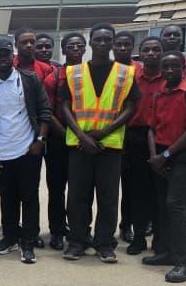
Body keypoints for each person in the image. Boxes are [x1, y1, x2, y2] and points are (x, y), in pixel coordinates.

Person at [59, 23, 140, 263]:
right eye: (98, 39)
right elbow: (65, 105)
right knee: (77, 197)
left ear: (113, 44)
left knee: (108, 197)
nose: (103, 44)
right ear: (90, 43)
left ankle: (105, 243)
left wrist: (103, 132)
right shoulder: (74, 72)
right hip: (80, 145)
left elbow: (131, 106)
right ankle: (77, 241)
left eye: (107, 40)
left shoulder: (126, 73)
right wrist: (83, 136)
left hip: (109, 146)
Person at [0, 38, 51, 264]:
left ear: (13, 56)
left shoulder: (28, 79)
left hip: (29, 149)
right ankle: (10, 237)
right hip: (3, 152)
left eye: (6, 54)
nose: (3, 59)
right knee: (7, 198)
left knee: (29, 197)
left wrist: (39, 139)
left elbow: (44, 111)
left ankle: (28, 242)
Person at [144, 51, 186, 283]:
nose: (169, 71)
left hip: (181, 156)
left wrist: (167, 154)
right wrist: (154, 156)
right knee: (162, 205)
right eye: (165, 67)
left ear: (183, 67)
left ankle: (183, 263)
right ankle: (168, 252)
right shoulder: (160, 94)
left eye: (174, 66)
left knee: (175, 205)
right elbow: (152, 128)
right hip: (160, 155)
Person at [42, 32, 85, 251]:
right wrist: (71, 135)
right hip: (59, 141)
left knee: (81, 191)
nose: (75, 49)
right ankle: (57, 231)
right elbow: (47, 112)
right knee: (57, 190)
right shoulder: (54, 77)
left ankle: (79, 231)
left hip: (88, 142)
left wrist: (84, 138)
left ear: (85, 49)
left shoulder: (91, 75)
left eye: (79, 45)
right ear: (64, 50)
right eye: (71, 45)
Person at [125, 37, 165, 255]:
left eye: (156, 50)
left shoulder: (169, 78)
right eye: (147, 50)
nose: (151, 54)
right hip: (135, 138)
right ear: (140, 55)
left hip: (162, 139)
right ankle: (138, 237)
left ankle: (159, 239)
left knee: (160, 193)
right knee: (138, 192)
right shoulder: (132, 77)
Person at [160, 24, 186, 242]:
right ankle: (160, 229)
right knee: (161, 191)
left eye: (177, 34)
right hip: (159, 137)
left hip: (184, 142)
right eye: (168, 34)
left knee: (182, 191)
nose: (172, 37)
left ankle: (184, 228)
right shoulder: (152, 62)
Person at [113, 31, 140, 244]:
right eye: (119, 45)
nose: (122, 48)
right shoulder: (111, 71)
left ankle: (128, 225)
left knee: (132, 186)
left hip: (137, 133)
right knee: (110, 187)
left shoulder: (136, 71)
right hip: (113, 134)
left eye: (126, 45)